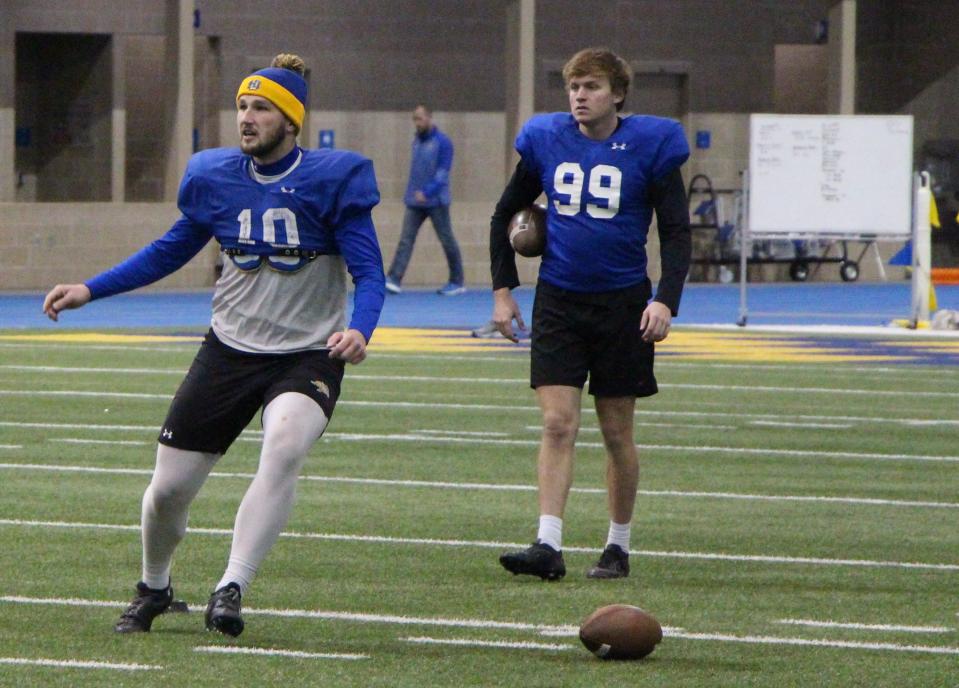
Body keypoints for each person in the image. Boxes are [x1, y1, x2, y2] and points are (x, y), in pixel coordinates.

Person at [42, 53, 385, 635]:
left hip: (306, 353)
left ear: (291, 120)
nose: (247, 118)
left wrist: (361, 329)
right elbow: (170, 249)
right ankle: (154, 587)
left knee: (283, 447)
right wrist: (90, 289)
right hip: (229, 349)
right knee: (166, 493)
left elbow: (370, 273)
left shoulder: (333, 179)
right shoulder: (214, 176)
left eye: (262, 108)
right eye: (243, 107)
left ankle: (231, 586)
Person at [489, 47, 691, 580]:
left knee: (616, 431)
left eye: (592, 87)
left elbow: (675, 230)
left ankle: (617, 546)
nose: (580, 96)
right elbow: (505, 212)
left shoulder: (650, 144)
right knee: (557, 422)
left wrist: (666, 299)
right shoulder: (547, 139)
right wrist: (503, 290)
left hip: (624, 301)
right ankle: (547, 544)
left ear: (618, 94)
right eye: (574, 87)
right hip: (559, 298)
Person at [384, 104, 465, 296]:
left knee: (447, 240)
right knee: (406, 240)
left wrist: (427, 192)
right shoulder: (416, 142)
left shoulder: (443, 143)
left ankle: (457, 281)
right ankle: (394, 279)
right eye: (414, 119)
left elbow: (442, 173)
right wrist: (413, 194)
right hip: (414, 201)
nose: (417, 122)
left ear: (430, 118)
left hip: (436, 201)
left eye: (420, 118)